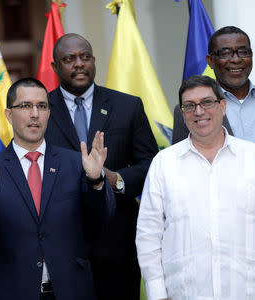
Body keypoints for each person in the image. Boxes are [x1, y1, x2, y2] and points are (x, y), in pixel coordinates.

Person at [0, 78, 115, 300]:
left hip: (71, 290)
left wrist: (95, 180)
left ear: (48, 113)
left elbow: (100, 221)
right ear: (8, 114)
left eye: (42, 106)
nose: (35, 114)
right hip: (14, 291)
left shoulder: (75, 163)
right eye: (25, 106)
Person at [44, 33, 158, 299]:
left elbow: (151, 165)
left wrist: (114, 178)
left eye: (85, 57)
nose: (79, 64)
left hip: (117, 241)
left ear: (94, 60)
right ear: (55, 67)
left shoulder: (127, 106)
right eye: (69, 59)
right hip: (63, 245)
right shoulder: (41, 112)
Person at [137, 75, 255, 300]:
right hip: (185, 294)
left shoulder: (251, 157)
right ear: (183, 114)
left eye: (206, 102)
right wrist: (157, 293)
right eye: (190, 106)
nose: (199, 112)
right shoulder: (164, 163)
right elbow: (149, 234)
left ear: (222, 105)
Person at [172, 26, 254, 144]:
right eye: (225, 53)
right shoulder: (191, 110)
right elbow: (182, 157)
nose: (236, 59)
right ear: (210, 61)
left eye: (243, 52)